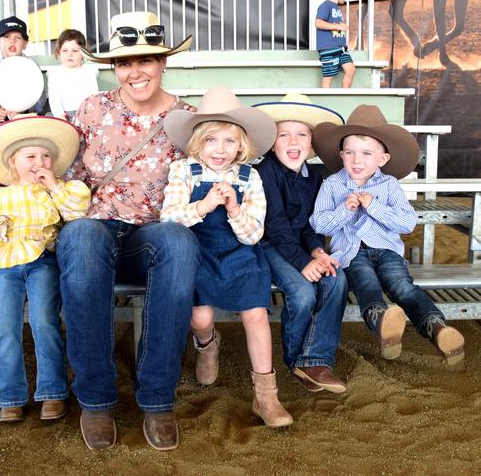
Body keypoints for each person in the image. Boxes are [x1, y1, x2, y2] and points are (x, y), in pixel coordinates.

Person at [56, 11, 199, 451]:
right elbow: (72, 174)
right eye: (123, 63)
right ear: (113, 68)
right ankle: (96, 400)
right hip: (97, 224)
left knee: (179, 241)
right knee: (81, 238)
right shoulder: (92, 108)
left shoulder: (187, 118)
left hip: (151, 233)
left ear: (163, 62)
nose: (135, 72)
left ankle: (157, 399)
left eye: (146, 60)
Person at [161, 87, 292, 428]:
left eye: (229, 142)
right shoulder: (183, 171)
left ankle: (266, 394)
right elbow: (169, 219)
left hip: (240, 252)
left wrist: (233, 207)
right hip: (197, 251)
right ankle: (207, 343)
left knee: (255, 314)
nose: (220, 150)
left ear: (242, 145)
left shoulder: (250, 177)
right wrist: (205, 205)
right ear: (198, 143)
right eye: (211, 140)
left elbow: (254, 234)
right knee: (201, 318)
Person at [309, 104, 465, 365]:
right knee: (366, 283)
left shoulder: (389, 185)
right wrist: (344, 210)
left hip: (387, 251)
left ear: (382, 159)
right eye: (350, 153)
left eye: (366, 153)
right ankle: (383, 326)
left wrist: (374, 206)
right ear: (341, 155)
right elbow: (319, 224)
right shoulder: (332, 184)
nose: (357, 160)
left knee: (403, 287)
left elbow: (407, 223)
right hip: (351, 252)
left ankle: (438, 329)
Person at [0, 115, 91, 423]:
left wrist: (53, 184)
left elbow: (78, 212)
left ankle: (52, 392)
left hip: (42, 263)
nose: (40, 162)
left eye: (46, 156)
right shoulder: (1, 198)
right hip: (6, 267)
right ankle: (11, 397)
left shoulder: (60, 189)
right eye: (31, 157)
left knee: (44, 323)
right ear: (13, 162)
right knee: (6, 330)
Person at [254, 93, 349, 394]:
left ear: (311, 144)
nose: (293, 142)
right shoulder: (265, 173)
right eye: (284, 135)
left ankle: (316, 360)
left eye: (302, 135)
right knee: (302, 292)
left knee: (336, 277)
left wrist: (318, 251)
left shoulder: (315, 178)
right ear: (272, 142)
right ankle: (297, 361)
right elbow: (276, 226)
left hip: (299, 248)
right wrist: (303, 262)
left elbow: (310, 224)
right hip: (267, 245)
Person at [0, 16, 48, 131]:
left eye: (17, 38)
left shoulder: (31, 66)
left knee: (38, 127)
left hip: (27, 115)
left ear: (25, 43)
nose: (12, 41)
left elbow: (41, 98)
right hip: (2, 116)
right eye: (6, 37)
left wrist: (25, 111)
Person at [47, 29, 99, 121]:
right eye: (65, 50)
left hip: (86, 114)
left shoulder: (88, 72)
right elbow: (54, 99)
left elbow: (93, 96)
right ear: (59, 52)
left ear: (83, 53)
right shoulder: (55, 74)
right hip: (63, 116)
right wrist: (60, 116)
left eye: (75, 50)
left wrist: (88, 116)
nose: (69, 54)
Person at [316, 0, 356, 88]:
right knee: (328, 76)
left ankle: (344, 96)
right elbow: (318, 23)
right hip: (329, 49)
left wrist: (340, 26)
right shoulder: (325, 6)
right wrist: (338, 26)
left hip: (341, 48)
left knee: (350, 69)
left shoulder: (336, 7)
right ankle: (326, 100)